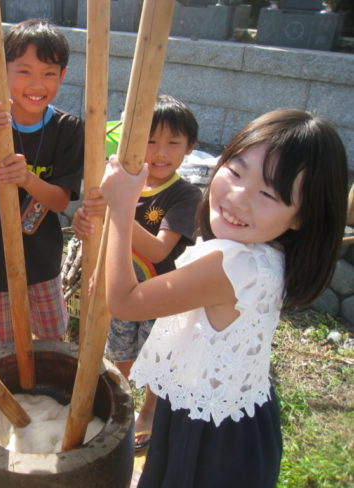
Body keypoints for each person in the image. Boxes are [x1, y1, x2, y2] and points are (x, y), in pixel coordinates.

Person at [101, 109, 348, 487]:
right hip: (232, 418)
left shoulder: (232, 265)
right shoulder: (270, 253)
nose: (238, 197)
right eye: (234, 172)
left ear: (302, 215)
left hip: (210, 435)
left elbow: (124, 302)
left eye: (268, 193)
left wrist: (119, 209)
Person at [73, 95, 202, 450]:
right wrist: (86, 222)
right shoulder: (126, 185)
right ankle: (126, 397)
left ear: (189, 147)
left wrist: (120, 206)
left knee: (157, 355)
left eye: (173, 142)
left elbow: (160, 250)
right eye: (150, 140)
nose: (160, 152)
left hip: (160, 296)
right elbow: (98, 232)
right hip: (119, 289)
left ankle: (149, 411)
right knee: (122, 349)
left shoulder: (184, 195)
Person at [0, 18, 83, 348]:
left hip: (42, 259)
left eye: (49, 73)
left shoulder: (68, 128)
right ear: (1, 71)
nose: (37, 84)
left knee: (51, 339)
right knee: (1, 346)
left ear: (62, 76)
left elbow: (59, 201)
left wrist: (27, 179)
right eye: (24, 71)